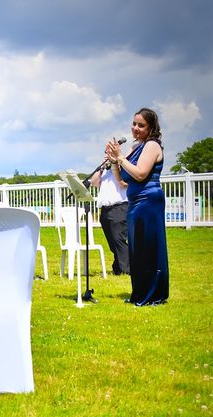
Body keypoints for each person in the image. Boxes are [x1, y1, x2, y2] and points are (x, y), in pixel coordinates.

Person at [106, 107, 169, 305]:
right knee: (137, 249)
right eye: (134, 124)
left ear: (151, 128)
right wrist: (114, 162)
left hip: (149, 201)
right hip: (134, 202)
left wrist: (121, 158)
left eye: (141, 125)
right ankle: (140, 293)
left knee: (149, 247)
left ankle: (153, 294)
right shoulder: (135, 148)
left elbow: (141, 174)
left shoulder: (152, 146)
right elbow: (123, 182)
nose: (135, 128)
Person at [90, 160, 130, 275]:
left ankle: (125, 269)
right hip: (105, 209)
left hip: (119, 206)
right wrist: (101, 168)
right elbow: (94, 183)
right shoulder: (105, 171)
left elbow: (124, 182)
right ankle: (118, 267)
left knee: (119, 240)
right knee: (112, 242)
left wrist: (114, 163)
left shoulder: (122, 166)